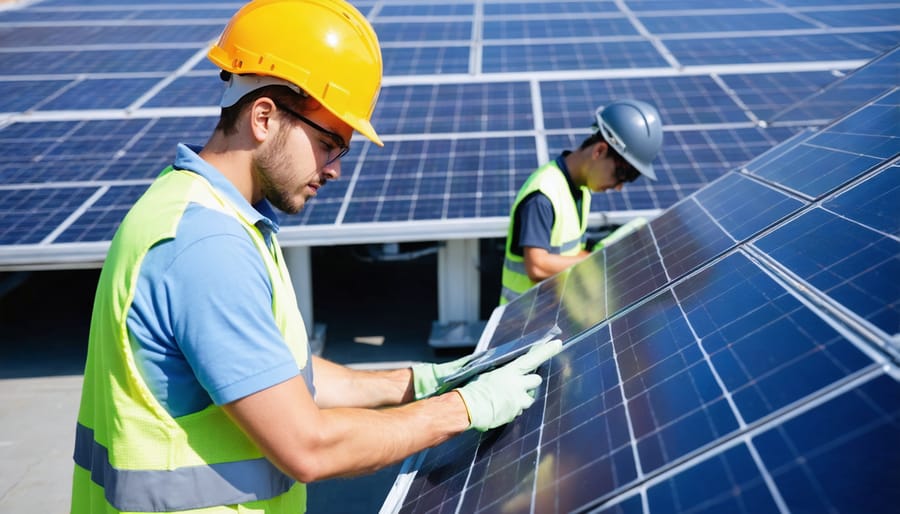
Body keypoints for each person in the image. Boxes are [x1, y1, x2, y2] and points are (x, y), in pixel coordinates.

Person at [70, 1, 562, 512]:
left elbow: (273, 373)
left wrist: (416, 382)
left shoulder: (196, 210)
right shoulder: (206, 248)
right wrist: (461, 408)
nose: (334, 170)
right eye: (329, 143)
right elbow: (309, 446)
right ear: (263, 117)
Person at [499, 99, 664, 305]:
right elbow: (537, 266)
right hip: (522, 319)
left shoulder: (581, 190)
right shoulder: (542, 196)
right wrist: (599, 261)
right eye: (622, 174)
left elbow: (570, 252)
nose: (619, 187)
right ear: (599, 151)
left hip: (550, 315)